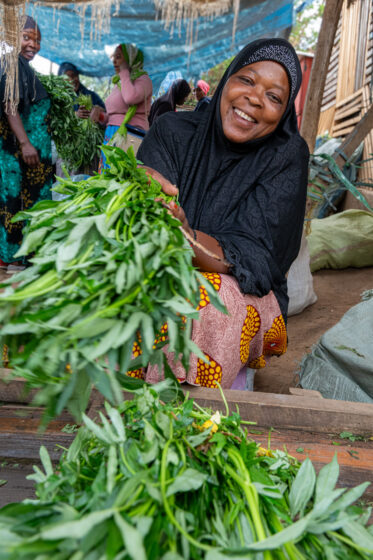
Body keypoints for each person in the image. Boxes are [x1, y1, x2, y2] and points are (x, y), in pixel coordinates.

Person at [135, 38, 309, 389]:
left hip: (241, 286)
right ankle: (116, 392)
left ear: (284, 111)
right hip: (159, 266)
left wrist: (185, 235)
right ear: (227, 80)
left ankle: (189, 414)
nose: (255, 98)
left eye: (274, 97)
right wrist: (135, 190)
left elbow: (253, 255)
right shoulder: (172, 132)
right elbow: (139, 228)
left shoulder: (286, 155)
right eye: (246, 80)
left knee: (204, 298)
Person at [0, 16, 53, 271]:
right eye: (27, 37)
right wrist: (25, 143)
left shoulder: (22, 65)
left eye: (38, 40)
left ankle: (20, 255)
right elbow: (10, 105)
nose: (33, 44)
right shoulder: (11, 64)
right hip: (20, 155)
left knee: (24, 203)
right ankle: (12, 256)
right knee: (15, 203)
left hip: (28, 158)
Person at [93, 43, 153, 169]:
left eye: (119, 57)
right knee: (108, 177)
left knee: (122, 176)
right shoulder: (120, 83)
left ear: (130, 58)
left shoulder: (143, 80)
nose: (115, 61)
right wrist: (101, 117)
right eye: (113, 57)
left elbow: (130, 98)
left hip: (131, 135)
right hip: (113, 133)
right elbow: (113, 116)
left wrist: (124, 71)